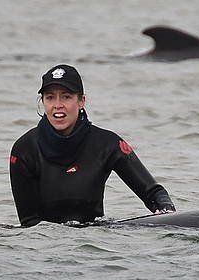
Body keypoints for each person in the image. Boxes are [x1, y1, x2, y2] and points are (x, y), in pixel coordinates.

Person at [10, 64, 176, 226]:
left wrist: (169, 216)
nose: (57, 105)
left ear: (81, 101)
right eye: (50, 97)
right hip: (45, 247)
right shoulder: (24, 149)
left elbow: (154, 193)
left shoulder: (107, 144)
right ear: (43, 101)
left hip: (94, 242)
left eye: (66, 96)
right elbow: (29, 223)